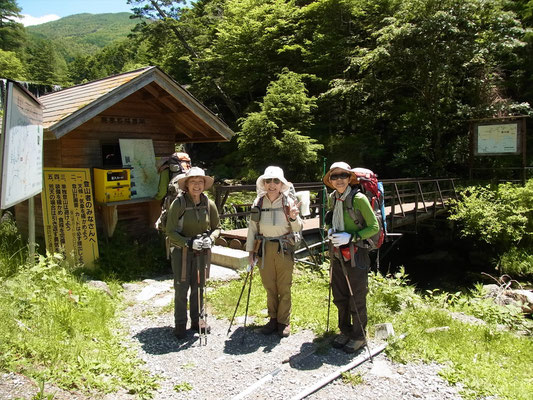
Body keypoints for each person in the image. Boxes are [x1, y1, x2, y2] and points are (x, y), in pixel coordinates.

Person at [323, 161, 379, 353]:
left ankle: (359, 336)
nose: (339, 180)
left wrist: (352, 236)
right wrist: (330, 230)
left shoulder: (359, 199)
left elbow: (374, 227)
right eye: (334, 176)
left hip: (357, 253)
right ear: (330, 180)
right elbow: (331, 221)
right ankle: (345, 331)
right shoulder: (334, 198)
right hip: (338, 253)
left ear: (349, 178)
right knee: (340, 295)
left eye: (343, 176)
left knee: (357, 296)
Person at [245, 166, 303, 337]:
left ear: (281, 184)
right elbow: (252, 228)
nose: (272, 184)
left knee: (284, 286)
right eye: (268, 181)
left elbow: (299, 226)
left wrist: (293, 216)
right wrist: (250, 252)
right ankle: (272, 319)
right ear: (264, 183)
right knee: (269, 285)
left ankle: (283, 321)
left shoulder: (288, 202)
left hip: (284, 247)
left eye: (276, 181)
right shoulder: (259, 202)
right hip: (264, 248)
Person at [165, 167, 220, 339]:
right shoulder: (179, 204)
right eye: (193, 182)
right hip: (181, 252)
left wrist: (211, 239)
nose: (197, 185)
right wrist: (188, 242)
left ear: (204, 184)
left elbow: (217, 228)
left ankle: (197, 320)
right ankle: (180, 323)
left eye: (200, 182)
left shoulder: (208, 204)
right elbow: (170, 231)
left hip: (201, 252)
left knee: (199, 286)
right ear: (186, 185)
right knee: (181, 288)